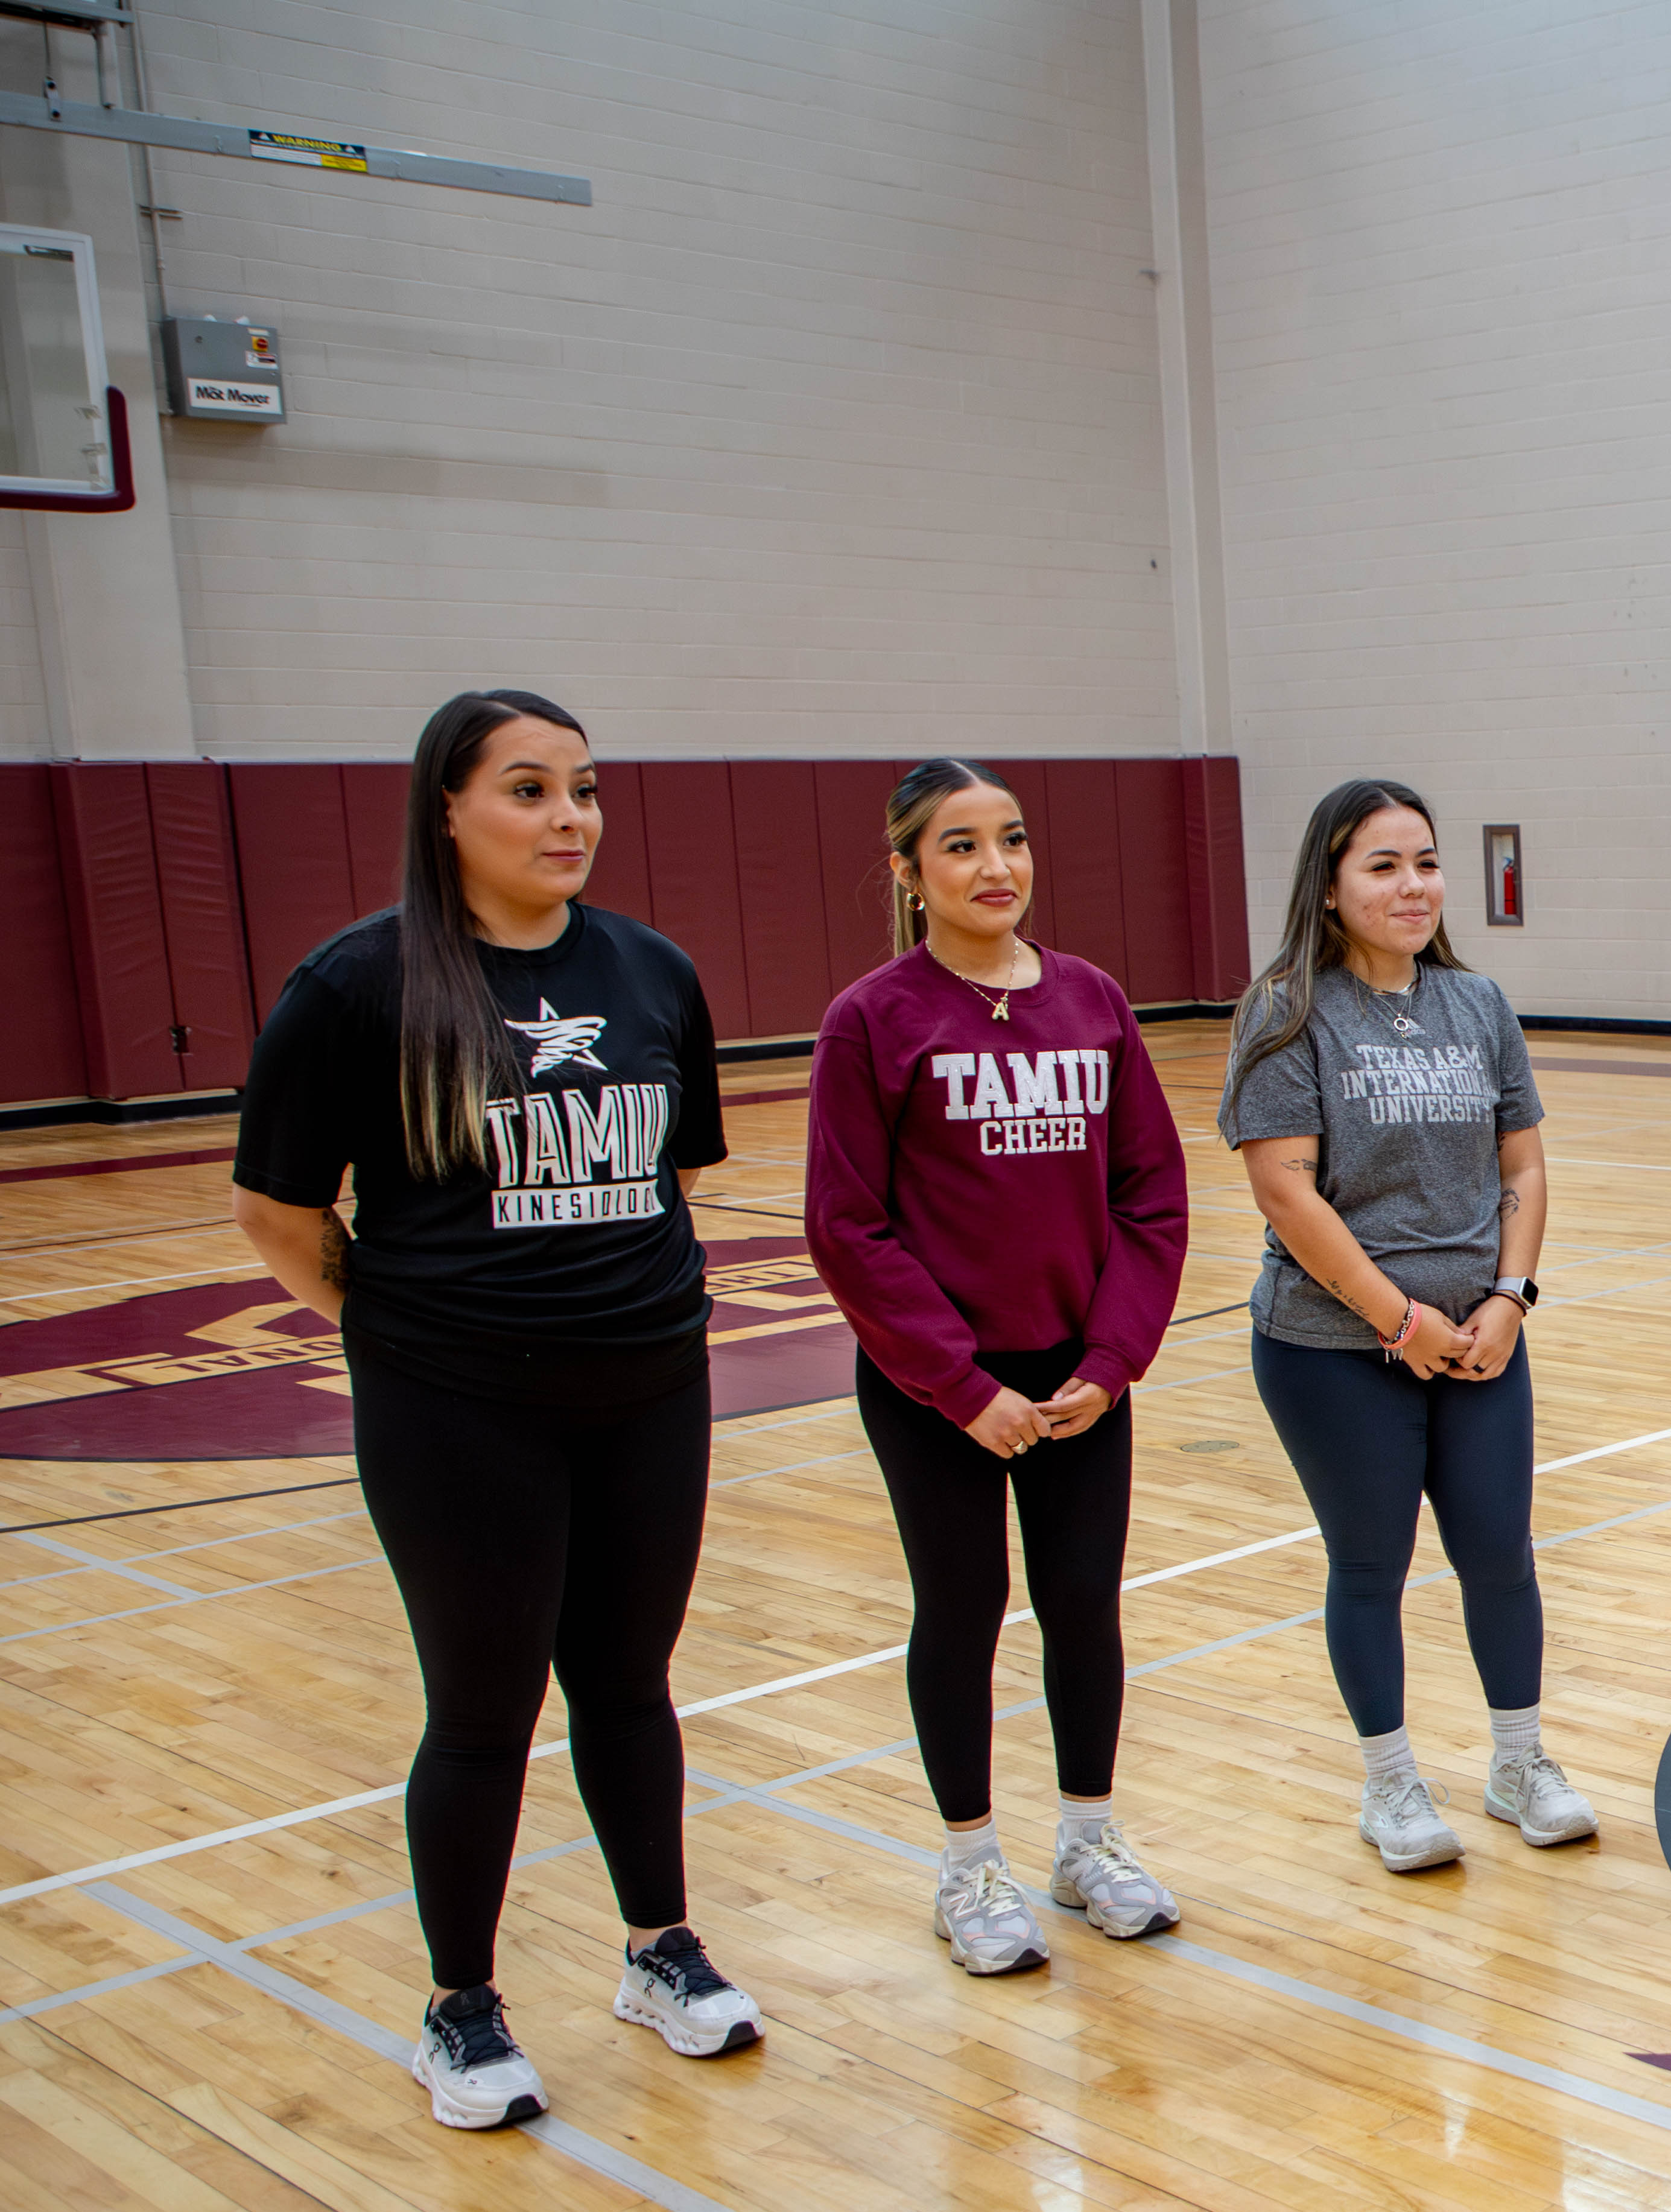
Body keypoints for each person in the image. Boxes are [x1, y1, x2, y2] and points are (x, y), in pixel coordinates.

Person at [228, 689, 764, 2131]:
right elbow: (277, 1211)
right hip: (458, 1414)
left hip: (650, 1391)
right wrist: (410, 1336)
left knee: (630, 1684)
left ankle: (659, 1951)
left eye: (583, 788)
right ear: (448, 809)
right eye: (528, 790)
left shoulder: (652, 971)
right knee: (482, 1712)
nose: (568, 817)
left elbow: (674, 1172)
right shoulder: (358, 986)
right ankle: (460, 2009)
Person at [804, 760, 1193, 1974]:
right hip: (938, 1390)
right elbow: (847, 1226)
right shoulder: (873, 1018)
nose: (996, 867)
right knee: (961, 1611)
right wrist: (961, 1386)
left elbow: (1151, 1197)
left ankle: (1088, 1844)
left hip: (1079, 1382)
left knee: (1082, 1605)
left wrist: (1111, 1361)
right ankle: (970, 1865)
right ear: (908, 871)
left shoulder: (1094, 1000)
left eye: (1012, 839)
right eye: (962, 845)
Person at [1219, 778, 1591, 1872]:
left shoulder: (1476, 1004)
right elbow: (1286, 1192)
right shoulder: (1286, 1010)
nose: (1413, 885)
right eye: (1382, 866)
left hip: (1481, 1339)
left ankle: (1519, 1765)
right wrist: (1398, 1320)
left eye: (1425, 862)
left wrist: (1509, 1299)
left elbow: (1522, 1164)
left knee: (1500, 1556)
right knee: (1370, 1565)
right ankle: (1390, 1785)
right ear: (1330, 887)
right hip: (1333, 1347)